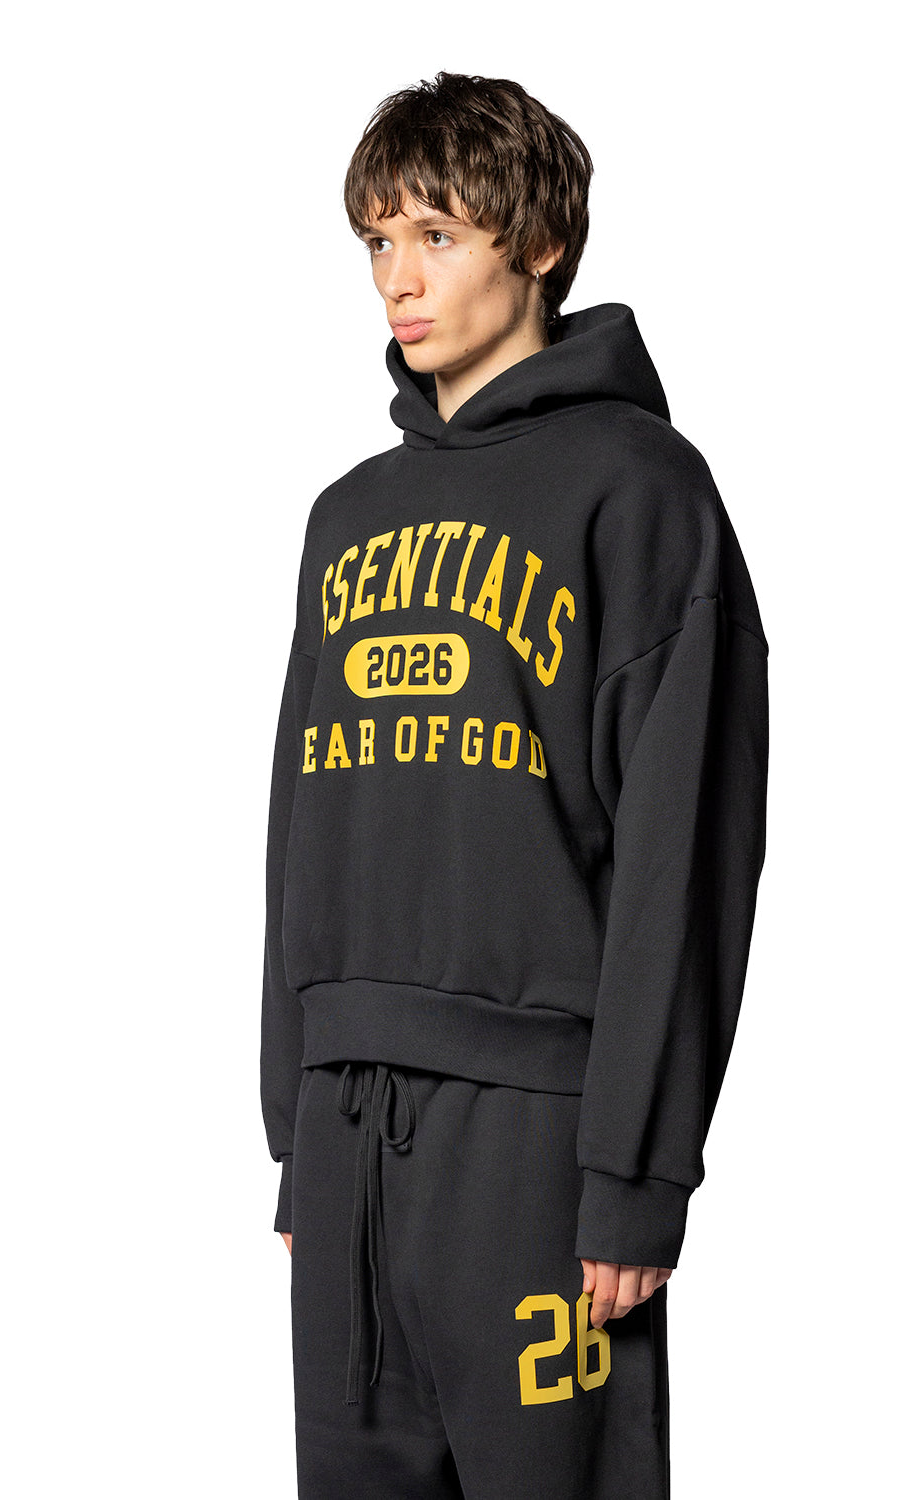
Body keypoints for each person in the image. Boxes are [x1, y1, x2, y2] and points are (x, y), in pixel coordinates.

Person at [260, 69, 769, 1499]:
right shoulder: (346, 518)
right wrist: (296, 1131)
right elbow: (302, 825)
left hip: (537, 1142)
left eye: (437, 235)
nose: (399, 280)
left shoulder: (641, 490)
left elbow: (684, 855)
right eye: (378, 241)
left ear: (537, 242)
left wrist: (635, 1175)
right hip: (350, 1134)